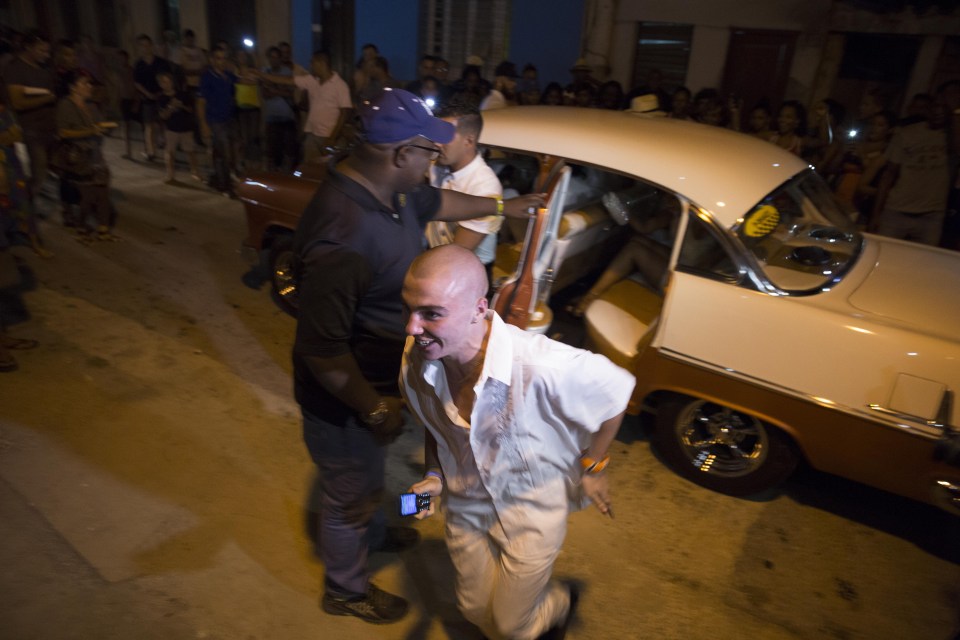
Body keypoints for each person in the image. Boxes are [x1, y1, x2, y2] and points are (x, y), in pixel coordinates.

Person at [291, 87, 543, 625]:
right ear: (400, 153)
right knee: (348, 494)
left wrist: (505, 206)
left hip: (382, 380)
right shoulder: (343, 235)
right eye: (430, 151)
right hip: (344, 397)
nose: (436, 162)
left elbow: (440, 203)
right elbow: (322, 347)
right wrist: (374, 408)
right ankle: (345, 589)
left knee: (368, 473)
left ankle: (379, 530)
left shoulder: (394, 189)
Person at [399, 244, 635, 640]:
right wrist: (433, 477)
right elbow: (435, 423)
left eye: (431, 314)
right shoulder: (417, 358)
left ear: (478, 308)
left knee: (511, 628)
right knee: (473, 610)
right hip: (466, 504)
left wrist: (594, 466)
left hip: (532, 512)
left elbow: (617, 391)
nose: (411, 327)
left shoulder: (543, 366)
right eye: (408, 309)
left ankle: (558, 602)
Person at [425, 100, 502, 281]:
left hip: (466, 271)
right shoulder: (436, 165)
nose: (436, 142)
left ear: (469, 141)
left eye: (444, 135)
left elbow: (457, 254)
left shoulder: (485, 187)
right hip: (434, 255)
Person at [871, 94, 951, 245]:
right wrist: (876, 214)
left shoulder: (951, 137)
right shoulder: (907, 133)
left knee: (921, 263)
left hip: (932, 215)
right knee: (885, 255)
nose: (938, 112)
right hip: (897, 210)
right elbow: (889, 175)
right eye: (934, 107)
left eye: (943, 107)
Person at [257, 51, 352, 163]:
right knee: (310, 169)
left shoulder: (340, 85)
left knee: (327, 170)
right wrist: (261, 74)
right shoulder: (311, 80)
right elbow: (286, 80)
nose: (310, 66)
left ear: (321, 63)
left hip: (330, 136)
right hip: (312, 135)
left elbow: (344, 113)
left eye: (312, 63)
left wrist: (332, 138)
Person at [55, 70, 116, 242]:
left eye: (89, 83)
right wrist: (90, 131)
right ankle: (81, 224)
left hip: (95, 152)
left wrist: (106, 127)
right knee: (88, 195)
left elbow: (99, 126)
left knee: (103, 189)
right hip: (77, 156)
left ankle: (103, 228)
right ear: (73, 88)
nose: (89, 87)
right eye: (85, 83)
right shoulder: (65, 105)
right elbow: (63, 132)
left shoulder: (91, 106)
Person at [4, 30, 57, 207]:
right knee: (39, 172)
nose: (46, 54)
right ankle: (25, 209)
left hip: (50, 127)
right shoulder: (15, 68)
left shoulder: (44, 68)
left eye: (47, 51)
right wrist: (48, 98)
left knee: (55, 168)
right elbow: (17, 102)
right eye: (42, 50)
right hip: (32, 130)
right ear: (28, 47)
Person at [197, 46, 238, 197]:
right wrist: (204, 125)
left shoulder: (228, 75)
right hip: (215, 121)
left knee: (222, 153)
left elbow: (242, 81)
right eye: (218, 58)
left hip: (229, 119)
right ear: (212, 60)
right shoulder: (207, 77)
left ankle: (221, 181)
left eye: (224, 58)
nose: (222, 61)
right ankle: (226, 186)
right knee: (224, 153)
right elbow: (201, 103)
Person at [133, 34, 173, 161]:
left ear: (151, 46)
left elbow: (169, 78)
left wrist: (162, 92)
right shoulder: (139, 64)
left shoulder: (161, 62)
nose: (145, 48)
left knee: (165, 123)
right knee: (148, 125)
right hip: (147, 99)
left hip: (163, 97)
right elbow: (137, 82)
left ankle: (168, 148)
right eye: (142, 45)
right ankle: (151, 152)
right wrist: (147, 94)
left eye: (147, 45)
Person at [156, 71, 200, 184]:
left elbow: (191, 110)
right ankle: (170, 175)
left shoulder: (182, 94)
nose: (167, 84)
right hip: (171, 129)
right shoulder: (161, 98)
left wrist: (182, 106)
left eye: (169, 81)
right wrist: (171, 107)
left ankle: (195, 172)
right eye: (164, 82)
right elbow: (163, 116)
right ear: (161, 84)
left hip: (186, 127)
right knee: (170, 152)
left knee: (190, 151)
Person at [260, 46, 299, 171]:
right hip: (272, 117)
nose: (274, 60)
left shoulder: (287, 72)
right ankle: (273, 175)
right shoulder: (264, 71)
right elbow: (265, 94)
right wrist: (280, 90)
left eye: (276, 57)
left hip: (287, 116)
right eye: (271, 57)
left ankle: (287, 175)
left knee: (288, 149)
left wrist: (273, 90)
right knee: (272, 149)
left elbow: (290, 93)